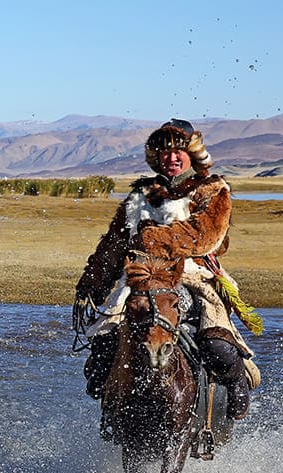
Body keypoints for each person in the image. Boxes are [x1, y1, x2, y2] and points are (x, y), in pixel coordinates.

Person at [73, 119, 262, 422]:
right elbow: (113, 244)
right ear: (156, 157)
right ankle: (114, 408)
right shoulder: (141, 196)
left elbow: (204, 235)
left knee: (216, 342)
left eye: (178, 152)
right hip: (141, 278)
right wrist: (91, 284)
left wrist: (151, 238)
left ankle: (237, 382)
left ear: (192, 154)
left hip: (193, 275)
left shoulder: (212, 190)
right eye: (164, 152)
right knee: (105, 342)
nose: (171, 158)